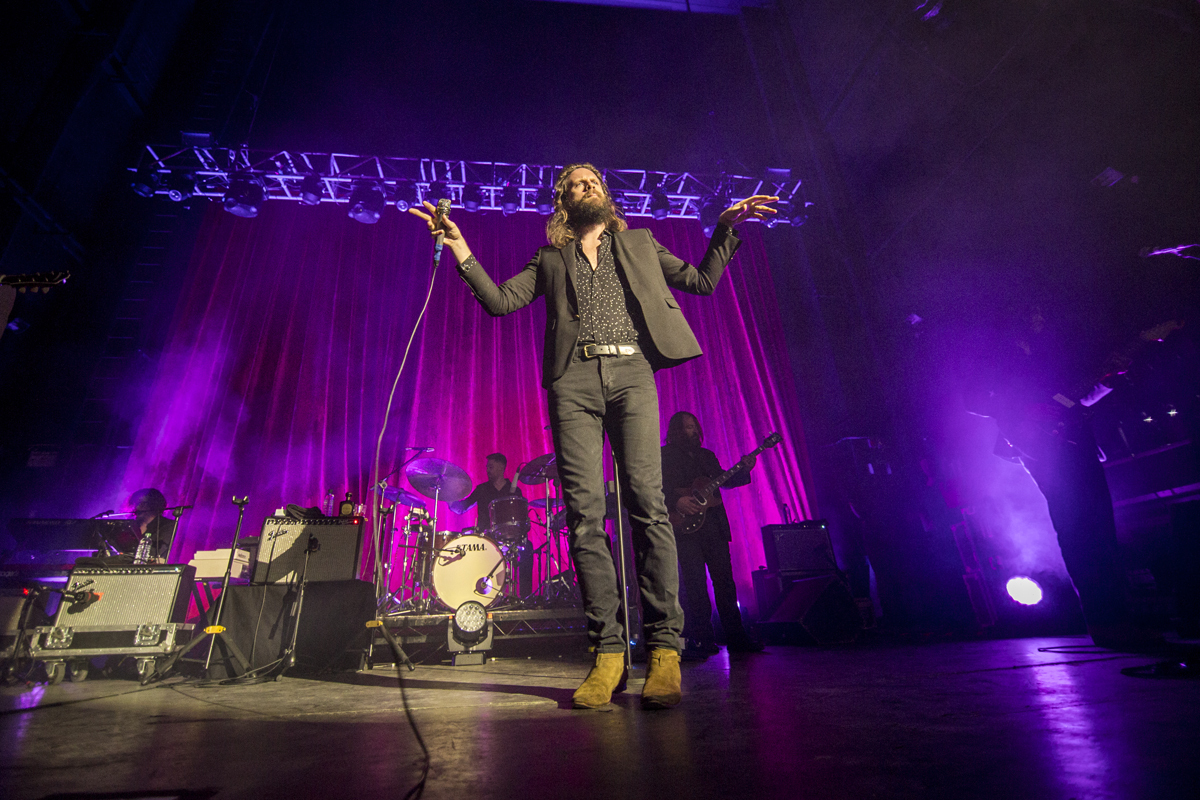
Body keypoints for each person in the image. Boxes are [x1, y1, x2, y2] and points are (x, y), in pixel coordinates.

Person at [411, 163, 775, 708]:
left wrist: (724, 228)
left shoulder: (642, 244)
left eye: (594, 183)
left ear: (605, 196)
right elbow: (499, 300)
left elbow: (701, 282)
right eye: (577, 184)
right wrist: (461, 247)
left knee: (648, 507)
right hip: (574, 382)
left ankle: (664, 652)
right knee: (584, 517)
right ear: (564, 200)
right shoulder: (551, 259)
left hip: (633, 376)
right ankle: (607, 655)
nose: (587, 188)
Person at [964, 307, 1175, 649]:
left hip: (1075, 441)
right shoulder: (996, 356)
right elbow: (973, 399)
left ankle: (1119, 621)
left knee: (1102, 530)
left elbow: (1076, 398)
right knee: (1080, 531)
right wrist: (1021, 409)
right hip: (1043, 448)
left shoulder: (1052, 353)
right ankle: (1109, 626)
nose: (1041, 318)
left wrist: (1110, 378)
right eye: (1033, 314)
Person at [661, 411, 763, 656]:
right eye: (687, 427)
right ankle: (703, 639)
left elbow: (723, 481)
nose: (693, 431)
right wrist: (677, 501)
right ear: (675, 430)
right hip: (685, 528)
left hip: (714, 526)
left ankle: (736, 637)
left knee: (725, 582)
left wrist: (744, 470)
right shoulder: (664, 456)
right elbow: (655, 486)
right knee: (694, 584)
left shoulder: (707, 456)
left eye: (695, 426)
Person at [450, 453, 533, 597]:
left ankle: (526, 597)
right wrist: (448, 495)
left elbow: (522, 519)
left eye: (491, 466)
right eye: (487, 467)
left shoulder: (514, 490)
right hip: (486, 538)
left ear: (501, 467)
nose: (487, 470)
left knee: (528, 548)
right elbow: (461, 508)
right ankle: (480, 595)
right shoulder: (482, 489)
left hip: (511, 539)